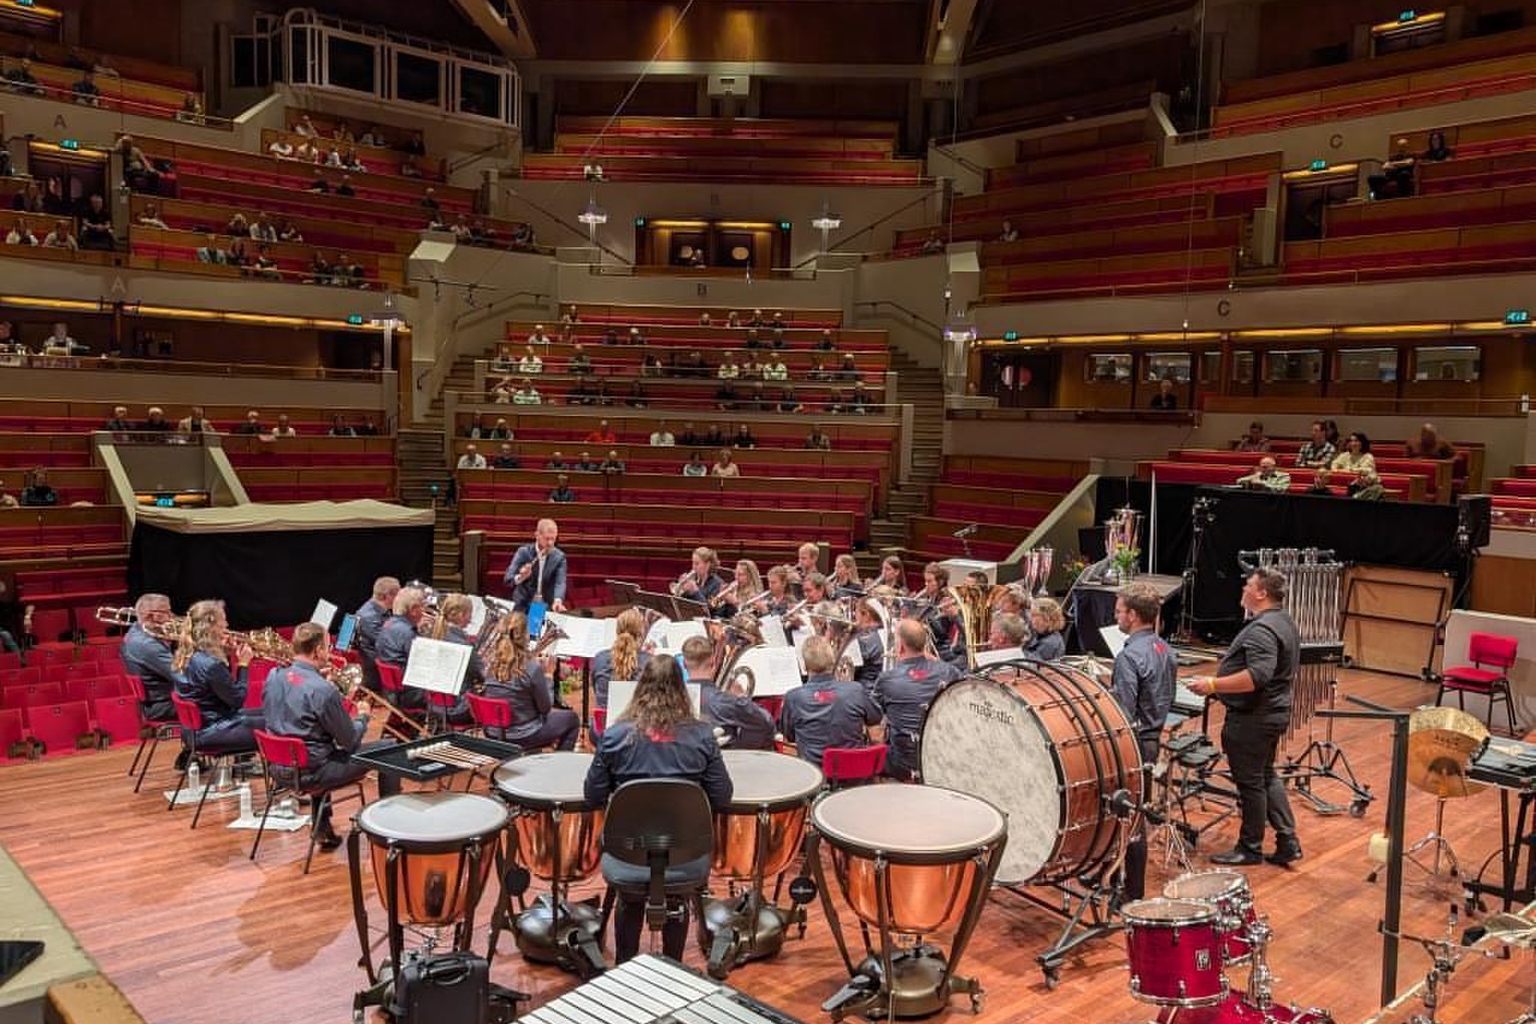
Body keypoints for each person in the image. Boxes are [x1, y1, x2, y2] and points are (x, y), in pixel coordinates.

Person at [584, 656, 731, 963]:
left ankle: (626, 964)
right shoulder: (703, 736)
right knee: (675, 894)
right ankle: (673, 965)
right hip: (685, 855)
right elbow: (722, 796)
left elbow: (592, 794)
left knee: (631, 896)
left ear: (640, 688)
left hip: (627, 853)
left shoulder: (615, 736)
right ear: (682, 689)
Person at [1185, 568, 1302, 866]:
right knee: (1264, 775)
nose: (1243, 588)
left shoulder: (1263, 629)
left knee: (1250, 783)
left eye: (1248, 585)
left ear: (1261, 593)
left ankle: (1250, 847)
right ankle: (1288, 840)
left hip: (1253, 718)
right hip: (1270, 713)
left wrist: (1212, 685)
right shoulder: (1282, 620)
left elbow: (1257, 676)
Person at [262, 623, 401, 848]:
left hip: (279, 769)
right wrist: (363, 717)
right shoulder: (321, 690)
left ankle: (322, 829)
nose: (330, 653)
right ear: (317, 650)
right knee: (390, 749)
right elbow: (350, 741)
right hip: (313, 773)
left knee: (319, 749)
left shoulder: (274, 676)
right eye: (328, 647)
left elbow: (297, 709)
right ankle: (390, 832)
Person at [1110, 582, 1177, 899]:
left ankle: (1130, 892)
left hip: (1134, 745)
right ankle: (1122, 884)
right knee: (1135, 816)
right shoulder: (1164, 648)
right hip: (1153, 739)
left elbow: (1123, 714)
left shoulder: (1128, 657)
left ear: (1134, 615)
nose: (1116, 615)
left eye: (1120, 610)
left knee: (1128, 819)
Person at [172, 599, 264, 753]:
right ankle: (284, 773)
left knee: (269, 712)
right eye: (224, 621)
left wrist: (225, 653)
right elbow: (237, 699)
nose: (227, 626)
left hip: (197, 727)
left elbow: (219, 689)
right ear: (212, 627)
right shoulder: (210, 664)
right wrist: (243, 664)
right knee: (279, 724)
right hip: (210, 731)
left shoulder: (187, 654)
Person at [874, 619, 961, 779]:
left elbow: (874, 717)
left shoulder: (886, 679)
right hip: (940, 757)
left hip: (902, 763)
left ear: (900, 646)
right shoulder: (949, 672)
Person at [781, 635, 882, 767]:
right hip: (855, 774)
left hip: (815, 776)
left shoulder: (793, 697)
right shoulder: (855, 689)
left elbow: (789, 736)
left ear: (805, 666)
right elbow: (875, 719)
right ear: (833, 662)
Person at [481, 611, 578, 750]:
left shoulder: (489, 663)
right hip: (524, 735)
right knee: (572, 719)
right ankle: (559, 764)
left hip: (492, 732)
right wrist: (549, 676)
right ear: (525, 636)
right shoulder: (531, 668)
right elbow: (545, 709)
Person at [682, 635, 774, 749]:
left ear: (684, 664)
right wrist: (741, 697)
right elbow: (766, 721)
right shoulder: (725, 701)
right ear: (713, 662)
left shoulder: (675, 698)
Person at [120, 593, 183, 724]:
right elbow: (183, 675)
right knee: (220, 702)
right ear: (150, 616)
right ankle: (204, 742)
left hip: (160, 699)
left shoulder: (136, 630)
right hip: (163, 704)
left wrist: (171, 643)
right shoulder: (146, 644)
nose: (172, 616)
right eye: (167, 612)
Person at [591, 607, 650, 722]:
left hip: (603, 728)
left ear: (617, 630)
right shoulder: (649, 661)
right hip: (636, 728)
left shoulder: (600, 658)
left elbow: (596, 689)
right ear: (641, 632)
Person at [503, 518, 567, 612]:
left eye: (553, 539)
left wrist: (558, 600)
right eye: (547, 539)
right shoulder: (523, 552)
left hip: (545, 606)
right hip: (522, 604)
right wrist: (521, 577)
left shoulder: (559, 557)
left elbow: (560, 582)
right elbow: (507, 579)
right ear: (537, 535)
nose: (550, 543)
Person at [353, 576, 400, 693]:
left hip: (383, 658)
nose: (399, 600)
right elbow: (389, 644)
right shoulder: (369, 616)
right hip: (376, 670)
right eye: (397, 596)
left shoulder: (378, 608)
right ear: (387, 596)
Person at [1024, 598, 1066, 662]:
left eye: (1034, 615)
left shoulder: (1050, 643)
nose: (1030, 619)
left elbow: (1032, 665)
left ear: (1047, 618)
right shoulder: (1040, 635)